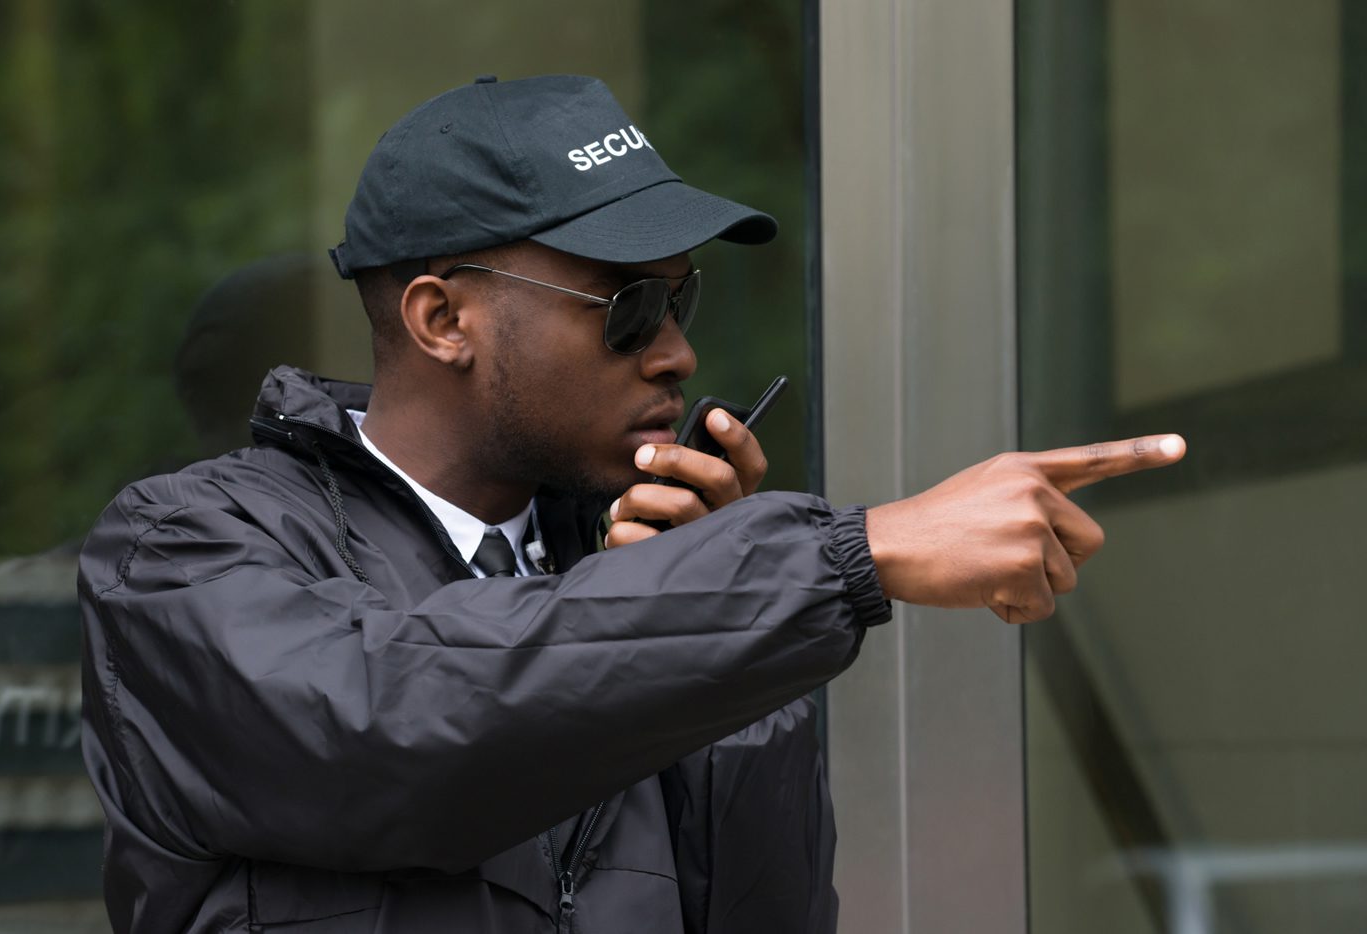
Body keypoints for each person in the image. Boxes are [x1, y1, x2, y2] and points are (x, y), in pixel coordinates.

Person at [77, 74, 1184, 933]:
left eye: (681, 298)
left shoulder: (653, 570)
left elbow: (766, 909)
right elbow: (399, 724)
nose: (676, 352)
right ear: (439, 319)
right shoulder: (180, 549)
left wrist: (721, 640)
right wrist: (835, 559)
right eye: (627, 306)